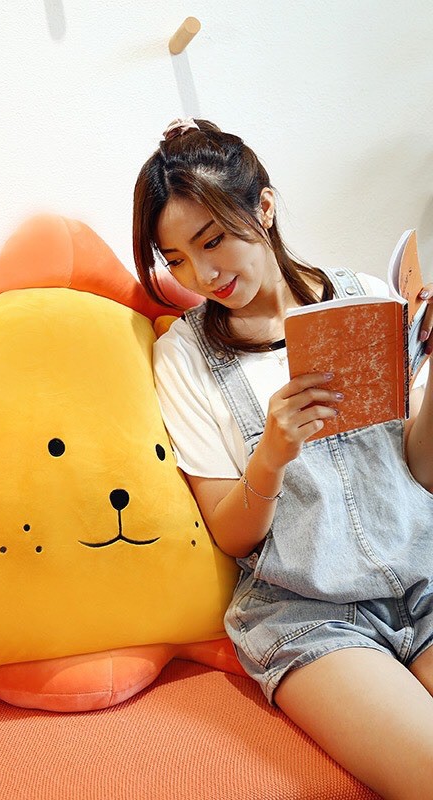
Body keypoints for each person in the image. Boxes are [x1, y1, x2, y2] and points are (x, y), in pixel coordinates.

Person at [132, 117, 433, 799]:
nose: (203, 275)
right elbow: (230, 533)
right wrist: (272, 453)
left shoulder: (366, 296)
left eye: (212, 241)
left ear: (263, 207)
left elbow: (421, 471)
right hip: (308, 612)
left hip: (422, 572)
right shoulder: (185, 357)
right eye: (176, 260)